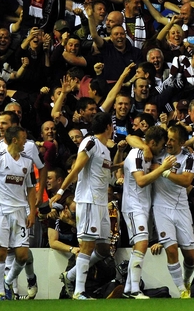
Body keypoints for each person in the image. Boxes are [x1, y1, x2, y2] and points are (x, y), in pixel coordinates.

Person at [55, 112, 116, 300]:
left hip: (101, 203)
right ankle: (78, 291)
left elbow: (101, 171)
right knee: (87, 246)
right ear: (108, 127)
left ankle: (70, 276)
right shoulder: (90, 142)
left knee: (104, 249)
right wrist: (60, 191)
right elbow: (77, 168)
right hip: (89, 200)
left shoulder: (105, 149)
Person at [0, 126, 38, 300]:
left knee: (22, 256)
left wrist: (32, 212)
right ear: (15, 140)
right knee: (1, 253)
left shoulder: (27, 161)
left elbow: (31, 188)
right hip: (0, 211)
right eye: (24, 138)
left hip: (20, 212)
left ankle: (8, 280)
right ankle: (1, 293)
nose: (26, 142)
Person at [121, 126, 173, 299]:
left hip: (143, 206)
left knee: (140, 244)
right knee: (142, 243)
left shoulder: (146, 152)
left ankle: (129, 289)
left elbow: (131, 137)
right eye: (161, 145)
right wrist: (163, 168)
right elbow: (141, 181)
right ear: (152, 143)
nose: (163, 148)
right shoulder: (137, 154)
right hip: (133, 206)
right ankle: (135, 290)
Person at [152, 124, 194, 298]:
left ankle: (186, 280)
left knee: (190, 257)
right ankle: (181, 290)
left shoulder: (189, 157)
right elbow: (133, 139)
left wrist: (162, 171)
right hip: (161, 207)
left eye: (172, 140)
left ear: (182, 142)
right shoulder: (158, 151)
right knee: (171, 250)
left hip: (181, 208)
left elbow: (186, 181)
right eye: (167, 139)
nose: (168, 143)